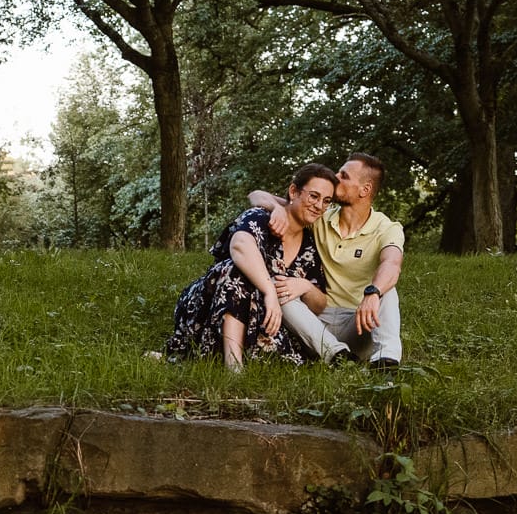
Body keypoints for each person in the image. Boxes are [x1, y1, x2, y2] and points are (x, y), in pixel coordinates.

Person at [165, 163, 337, 371]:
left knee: (283, 357)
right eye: (314, 196)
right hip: (213, 303)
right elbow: (239, 246)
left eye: (326, 201)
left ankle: (207, 355)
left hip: (262, 315)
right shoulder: (262, 216)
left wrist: (306, 287)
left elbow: (319, 306)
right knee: (237, 272)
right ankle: (233, 368)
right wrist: (269, 292)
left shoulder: (311, 244)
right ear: (294, 191)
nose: (319, 206)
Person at [249, 153, 404, 370]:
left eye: (344, 175)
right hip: (314, 324)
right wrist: (276, 209)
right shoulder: (320, 215)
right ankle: (337, 357)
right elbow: (256, 195)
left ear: (365, 190)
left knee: (387, 288)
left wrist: (373, 292)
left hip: (359, 323)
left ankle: (386, 361)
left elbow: (392, 264)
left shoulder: (386, 228)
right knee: (279, 287)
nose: (335, 176)